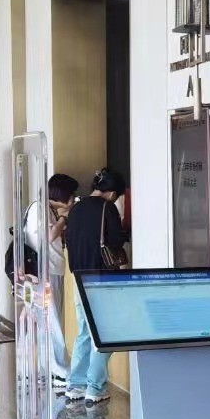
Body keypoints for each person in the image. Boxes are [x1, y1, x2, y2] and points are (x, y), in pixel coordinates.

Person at [63, 167, 127, 405]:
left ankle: (76, 385)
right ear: (112, 193)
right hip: (101, 279)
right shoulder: (107, 208)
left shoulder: (76, 208)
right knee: (104, 333)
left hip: (79, 277)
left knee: (83, 331)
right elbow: (116, 240)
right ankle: (95, 387)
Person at [24, 172, 78, 385]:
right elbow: (49, 236)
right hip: (45, 272)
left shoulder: (43, 208)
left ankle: (42, 368)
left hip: (46, 271)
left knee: (46, 320)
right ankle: (59, 370)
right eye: (71, 194)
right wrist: (65, 217)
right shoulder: (40, 209)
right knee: (52, 321)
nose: (73, 198)